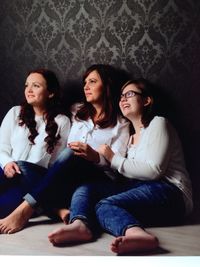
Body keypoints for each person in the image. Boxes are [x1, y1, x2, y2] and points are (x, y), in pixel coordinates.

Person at [48, 78, 193, 255]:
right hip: (141, 189)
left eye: (130, 94)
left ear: (146, 100)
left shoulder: (158, 123)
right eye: (121, 96)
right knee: (86, 189)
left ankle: (136, 234)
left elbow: (154, 171)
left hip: (172, 193)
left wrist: (112, 158)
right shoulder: (131, 138)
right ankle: (80, 224)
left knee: (105, 205)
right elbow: (130, 175)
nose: (123, 99)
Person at [0, 64, 130, 234]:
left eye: (92, 81)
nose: (86, 86)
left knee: (69, 153)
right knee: (22, 168)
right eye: (85, 82)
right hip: (66, 176)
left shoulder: (121, 124)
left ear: (106, 86)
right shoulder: (76, 111)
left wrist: (95, 157)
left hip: (97, 174)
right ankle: (54, 209)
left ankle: (26, 209)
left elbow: (117, 165)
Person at [0, 68, 71, 233]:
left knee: (4, 204)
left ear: (50, 93)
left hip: (31, 179)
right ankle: (52, 208)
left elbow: (55, 168)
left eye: (36, 85)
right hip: (5, 170)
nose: (29, 90)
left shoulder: (62, 121)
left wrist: (19, 166)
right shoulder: (14, 113)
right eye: (27, 85)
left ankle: (37, 205)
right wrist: (7, 163)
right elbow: (1, 147)